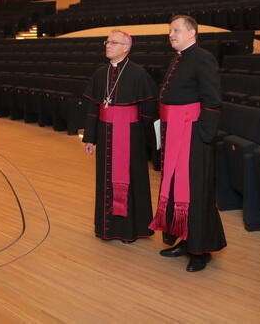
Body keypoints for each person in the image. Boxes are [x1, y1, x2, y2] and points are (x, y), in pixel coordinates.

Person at [150, 15, 226, 272]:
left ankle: (200, 251)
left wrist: (203, 136)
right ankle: (185, 239)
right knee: (177, 190)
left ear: (192, 33)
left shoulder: (203, 58)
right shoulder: (179, 58)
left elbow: (212, 100)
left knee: (196, 192)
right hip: (175, 133)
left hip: (193, 136)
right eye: (170, 30)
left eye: (176, 30)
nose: (171, 34)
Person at [82, 29, 159, 242]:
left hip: (131, 136)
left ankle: (131, 229)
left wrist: (144, 136)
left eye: (113, 42)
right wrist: (90, 137)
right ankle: (106, 228)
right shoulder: (100, 73)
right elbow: (93, 107)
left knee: (132, 179)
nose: (108, 45)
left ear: (126, 48)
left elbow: (150, 108)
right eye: (107, 42)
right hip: (105, 134)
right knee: (105, 180)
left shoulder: (138, 73)